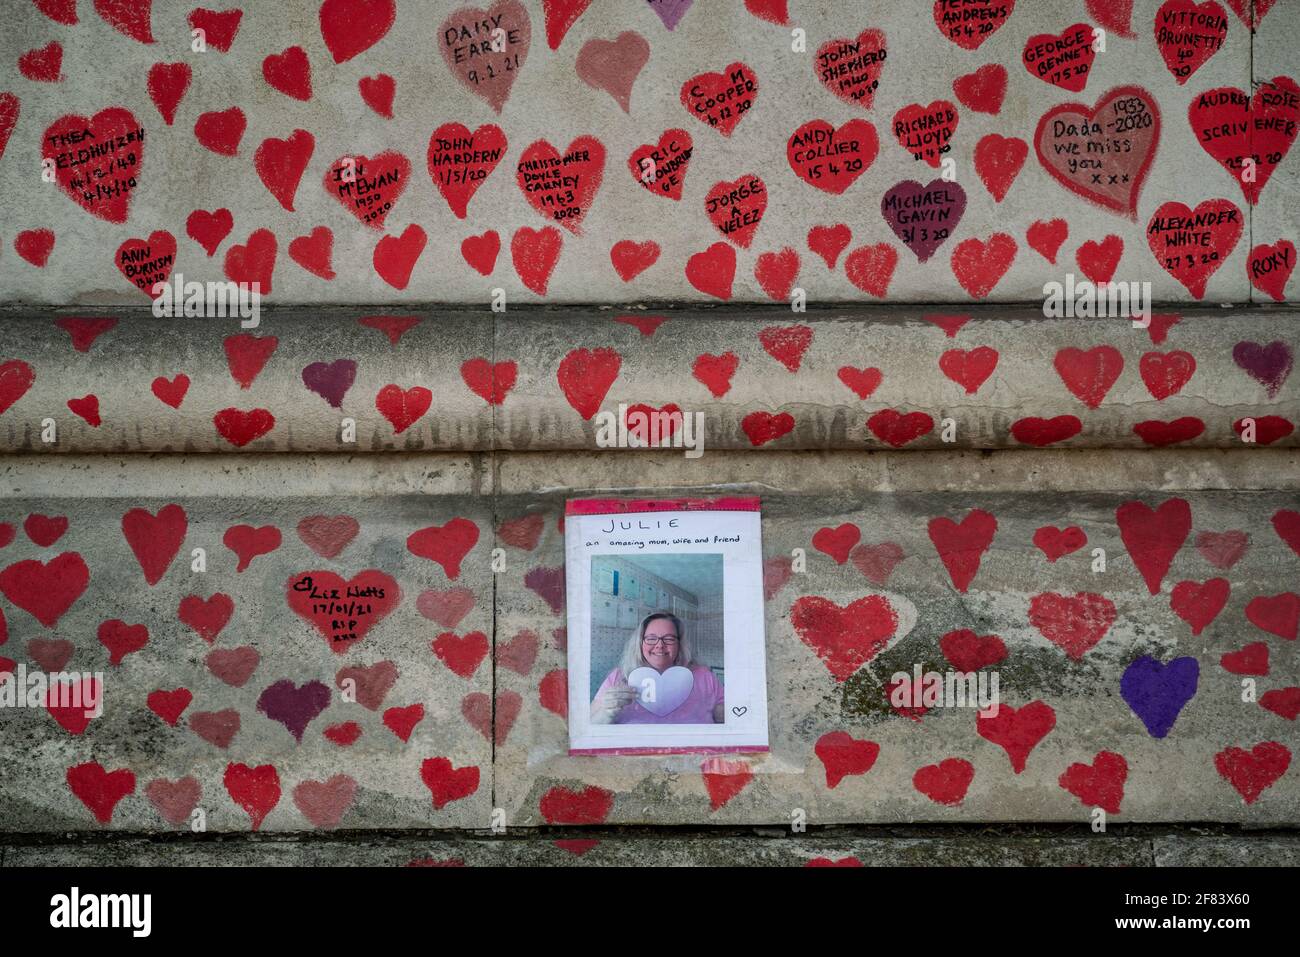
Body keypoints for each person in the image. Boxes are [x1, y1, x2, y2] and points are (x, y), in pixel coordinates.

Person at [590, 612, 724, 724]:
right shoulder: (618, 677)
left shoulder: (704, 676)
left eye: (669, 639)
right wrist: (606, 713)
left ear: (679, 644)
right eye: (651, 638)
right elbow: (589, 725)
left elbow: (727, 716)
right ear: (640, 643)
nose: (660, 645)